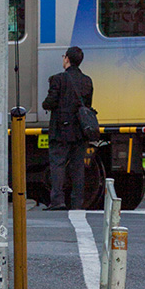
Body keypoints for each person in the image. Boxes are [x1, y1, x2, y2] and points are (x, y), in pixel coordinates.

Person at [42, 46, 94, 210]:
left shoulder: (58, 79)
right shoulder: (87, 80)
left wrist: (45, 104)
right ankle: (77, 202)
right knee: (78, 167)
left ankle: (58, 200)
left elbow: (50, 102)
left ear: (67, 59)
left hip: (61, 130)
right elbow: (88, 105)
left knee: (58, 164)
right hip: (80, 130)